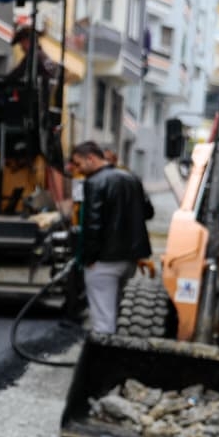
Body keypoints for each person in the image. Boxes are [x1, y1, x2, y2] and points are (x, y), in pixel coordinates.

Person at [71, 140, 154, 335]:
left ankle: (100, 361)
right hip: (129, 260)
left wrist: (88, 258)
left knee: (103, 322)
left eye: (78, 163)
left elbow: (92, 225)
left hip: (104, 262)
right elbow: (148, 213)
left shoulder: (94, 182)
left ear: (90, 158)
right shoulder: (132, 178)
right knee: (115, 312)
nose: (77, 169)